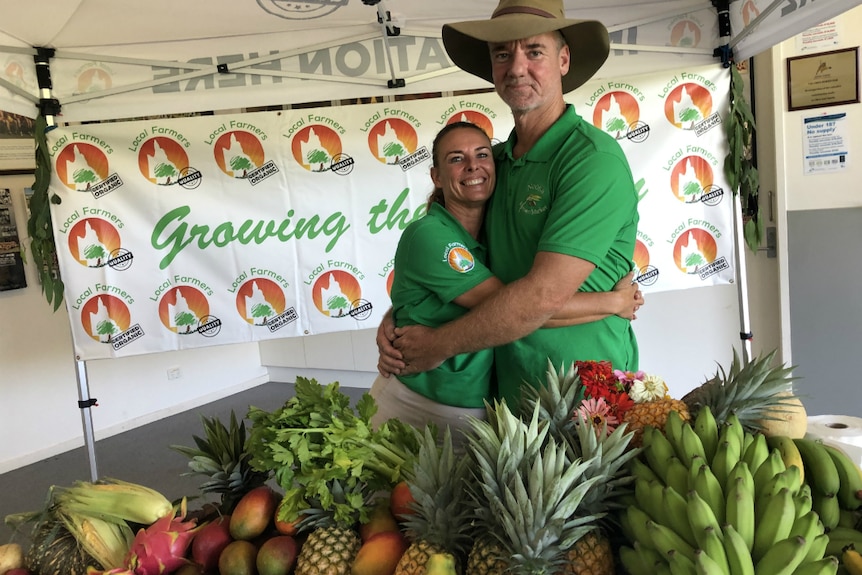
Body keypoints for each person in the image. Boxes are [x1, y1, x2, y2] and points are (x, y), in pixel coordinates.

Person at [377, 0, 641, 407]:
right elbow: (456, 270)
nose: (517, 68)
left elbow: (540, 297)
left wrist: (438, 344)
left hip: (584, 392)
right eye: (503, 54)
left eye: (534, 51)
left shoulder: (591, 160)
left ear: (564, 59)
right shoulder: (494, 165)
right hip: (507, 392)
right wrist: (397, 322)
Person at [370, 121, 641, 440]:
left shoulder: (488, 223)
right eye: (456, 159)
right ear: (436, 177)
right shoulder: (432, 235)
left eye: (481, 155)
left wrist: (396, 314)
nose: (473, 166)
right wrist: (613, 302)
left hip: (481, 408)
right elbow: (517, 310)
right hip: (419, 403)